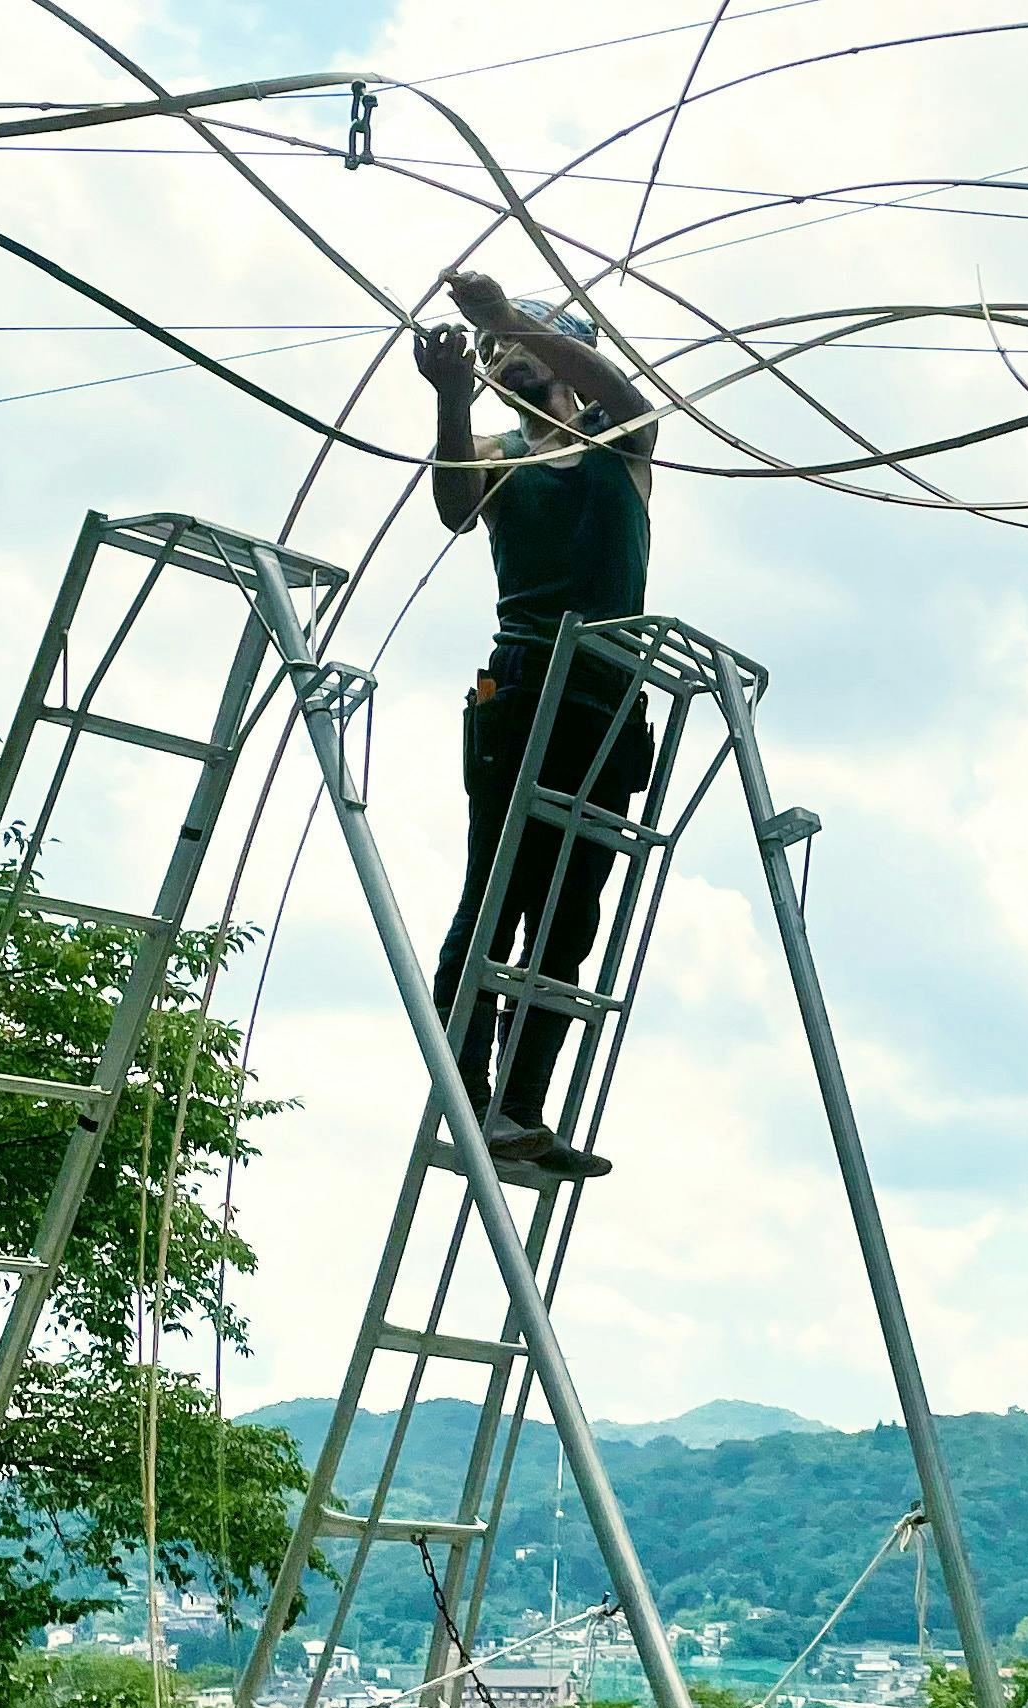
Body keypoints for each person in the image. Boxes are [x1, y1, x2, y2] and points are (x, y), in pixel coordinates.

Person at [413, 269, 657, 1180]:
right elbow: (454, 508)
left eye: (512, 346)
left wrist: (510, 317)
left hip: (604, 702)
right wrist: (451, 397)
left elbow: (626, 397)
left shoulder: (620, 442)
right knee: (497, 892)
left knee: (571, 913)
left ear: (565, 350)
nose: (498, 357)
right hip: (520, 689)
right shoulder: (494, 449)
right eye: (490, 352)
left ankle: (522, 1105)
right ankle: (468, 1092)